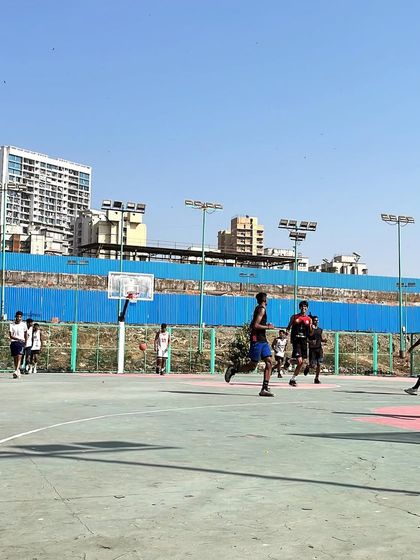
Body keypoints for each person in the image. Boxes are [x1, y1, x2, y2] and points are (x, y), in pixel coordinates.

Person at [225, 292, 275, 397]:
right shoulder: (262, 309)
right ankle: (233, 369)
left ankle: (264, 388)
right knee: (252, 366)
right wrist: (268, 327)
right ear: (265, 300)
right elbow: (255, 325)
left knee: (269, 362)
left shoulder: (260, 308)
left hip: (262, 339)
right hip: (256, 339)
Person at [286, 300, 313, 387]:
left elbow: (311, 332)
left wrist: (311, 328)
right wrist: (287, 332)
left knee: (301, 362)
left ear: (307, 308)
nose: (303, 308)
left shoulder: (309, 319)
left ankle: (293, 378)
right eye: (302, 306)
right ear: (300, 307)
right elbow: (288, 327)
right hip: (296, 341)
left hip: (304, 342)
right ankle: (289, 361)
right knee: (299, 360)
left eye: (305, 306)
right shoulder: (294, 317)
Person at [303, 316, 327, 384]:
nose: (316, 321)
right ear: (312, 321)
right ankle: (308, 367)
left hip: (319, 349)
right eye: (315, 320)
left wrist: (324, 340)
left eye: (317, 320)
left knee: (319, 364)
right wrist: (310, 342)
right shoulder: (309, 330)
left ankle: (316, 378)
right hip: (312, 349)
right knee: (313, 366)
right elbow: (306, 338)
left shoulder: (320, 330)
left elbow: (321, 338)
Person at [9, 310, 28, 379]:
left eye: (20, 317)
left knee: (19, 356)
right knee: (15, 357)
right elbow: (10, 335)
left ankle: (16, 370)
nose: (19, 318)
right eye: (17, 317)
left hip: (21, 343)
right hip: (14, 342)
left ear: (21, 318)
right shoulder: (12, 324)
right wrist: (17, 339)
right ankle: (17, 370)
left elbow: (26, 333)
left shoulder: (24, 324)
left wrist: (25, 342)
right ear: (15, 317)